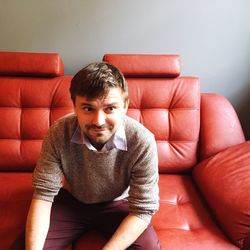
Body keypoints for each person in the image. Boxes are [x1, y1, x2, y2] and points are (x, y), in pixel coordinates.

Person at [25, 62, 161, 250]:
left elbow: (143, 210)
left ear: (125, 106)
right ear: (74, 107)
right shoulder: (58, 132)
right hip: (72, 201)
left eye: (110, 108)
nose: (99, 121)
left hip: (118, 203)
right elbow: (43, 194)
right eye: (88, 108)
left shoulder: (142, 140)